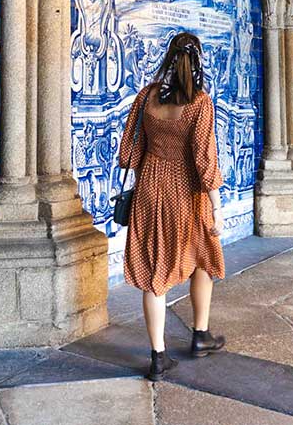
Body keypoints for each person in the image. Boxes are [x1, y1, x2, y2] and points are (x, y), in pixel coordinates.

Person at [118, 31, 226, 382]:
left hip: (149, 188)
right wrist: (217, 207)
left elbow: (129, 152)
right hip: (187, 193)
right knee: (203, 255)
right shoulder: (199, 103)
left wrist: (149, 167)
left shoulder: (146, 97)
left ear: (168, 57)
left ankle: (158, 356)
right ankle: (200, 334)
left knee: (155, 271)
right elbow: (204, 161)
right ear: (197, 63)